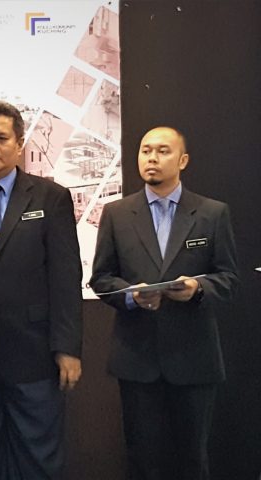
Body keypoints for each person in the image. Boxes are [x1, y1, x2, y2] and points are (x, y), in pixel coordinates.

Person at [90, 126, 239, 480]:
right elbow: (101, 279)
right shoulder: (117, 213)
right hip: (137, 359)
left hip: (194, 358)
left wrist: (197, 288)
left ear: (183, 160)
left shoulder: (212, 213)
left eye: (162, 151)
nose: (152, 158)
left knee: (192, 461)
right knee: (143, 461)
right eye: (145, 151)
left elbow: (229, 278)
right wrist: (131, 295)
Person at [0, 100, 83, 480]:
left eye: (1, 137)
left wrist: (68, 348)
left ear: (19, 144)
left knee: (38, 458)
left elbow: (65, 277)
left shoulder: (50, 197)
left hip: (34, 353)